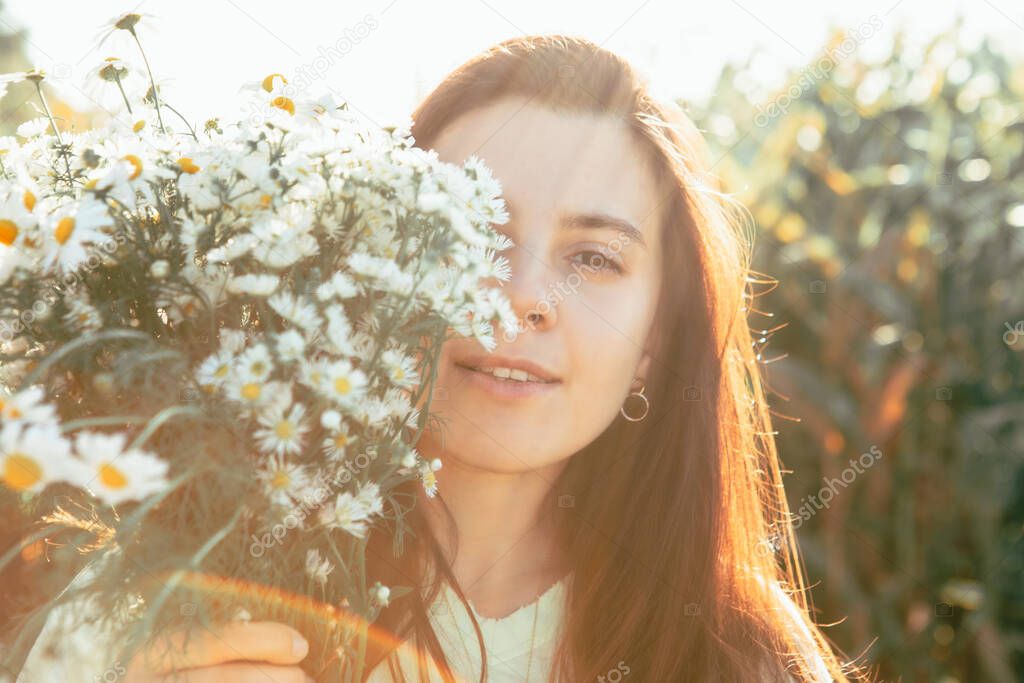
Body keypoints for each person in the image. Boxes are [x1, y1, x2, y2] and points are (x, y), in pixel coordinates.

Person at [20, 34, 871, 682]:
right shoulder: (166, 598)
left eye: (594, 258)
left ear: (653, 342)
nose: (521, 294)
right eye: (472, 231)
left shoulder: (737, 658)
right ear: (366, 258)